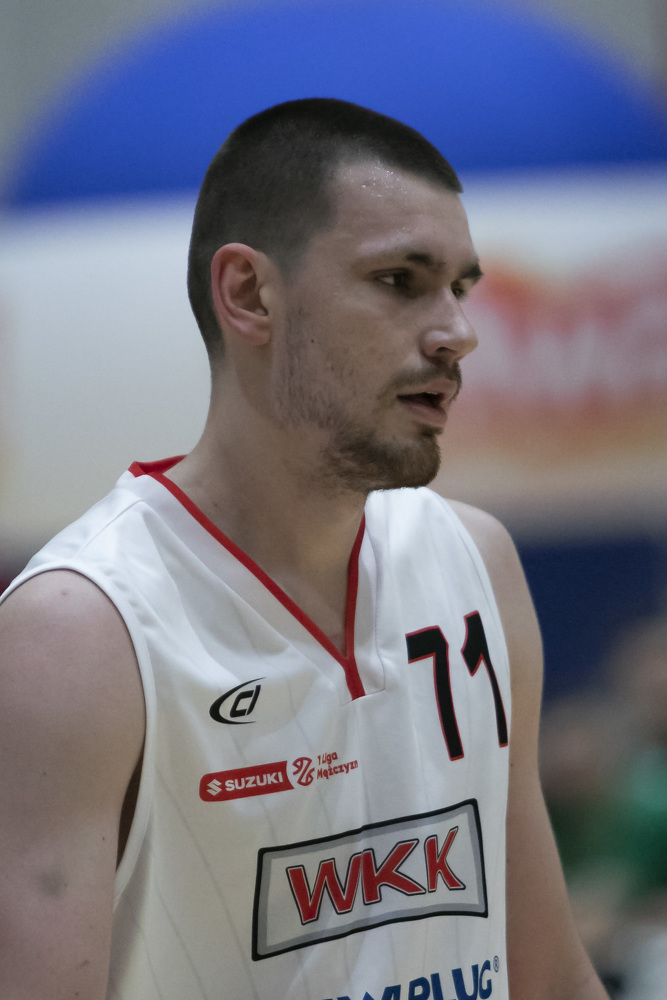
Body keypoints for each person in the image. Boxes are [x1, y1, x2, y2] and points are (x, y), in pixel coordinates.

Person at [0, 98, 608, 1000]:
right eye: (400, 280)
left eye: (460, 287)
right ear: (249, 293)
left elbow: (549, 978)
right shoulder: (76, 633)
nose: (457, 332)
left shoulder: (477, 563)